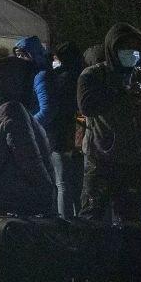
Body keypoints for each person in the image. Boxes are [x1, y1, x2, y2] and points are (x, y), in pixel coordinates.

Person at [77, 23, 141, 224]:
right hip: (101, 160)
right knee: (92, 218)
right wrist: (120, 92)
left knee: (130, 222)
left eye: (135, 49)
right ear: (113, 49)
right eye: (125, 48)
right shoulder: (93, 75)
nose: (131, 53)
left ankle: (125, 255)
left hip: (135, 162)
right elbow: (87, 105)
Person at [0, 57, 57, 217]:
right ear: (15, 80)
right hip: (18, 203)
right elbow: (28, 158)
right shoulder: (13, 110)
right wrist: (48, 191)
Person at [48, 42, 86, 220]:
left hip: (60, 136)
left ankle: (64, 222)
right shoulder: (84, 76)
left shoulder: (58, 78)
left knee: (62, 184)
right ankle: (81, 221)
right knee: (79, 185)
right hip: (80, 135)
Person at [14, 35, 57, 131]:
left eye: (23, 55)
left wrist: (26, 127)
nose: (19, 58)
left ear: (33, 54)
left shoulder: (41, 76)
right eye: (17, 55)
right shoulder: (29, 73)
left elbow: (47, 110)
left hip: (40, 131)